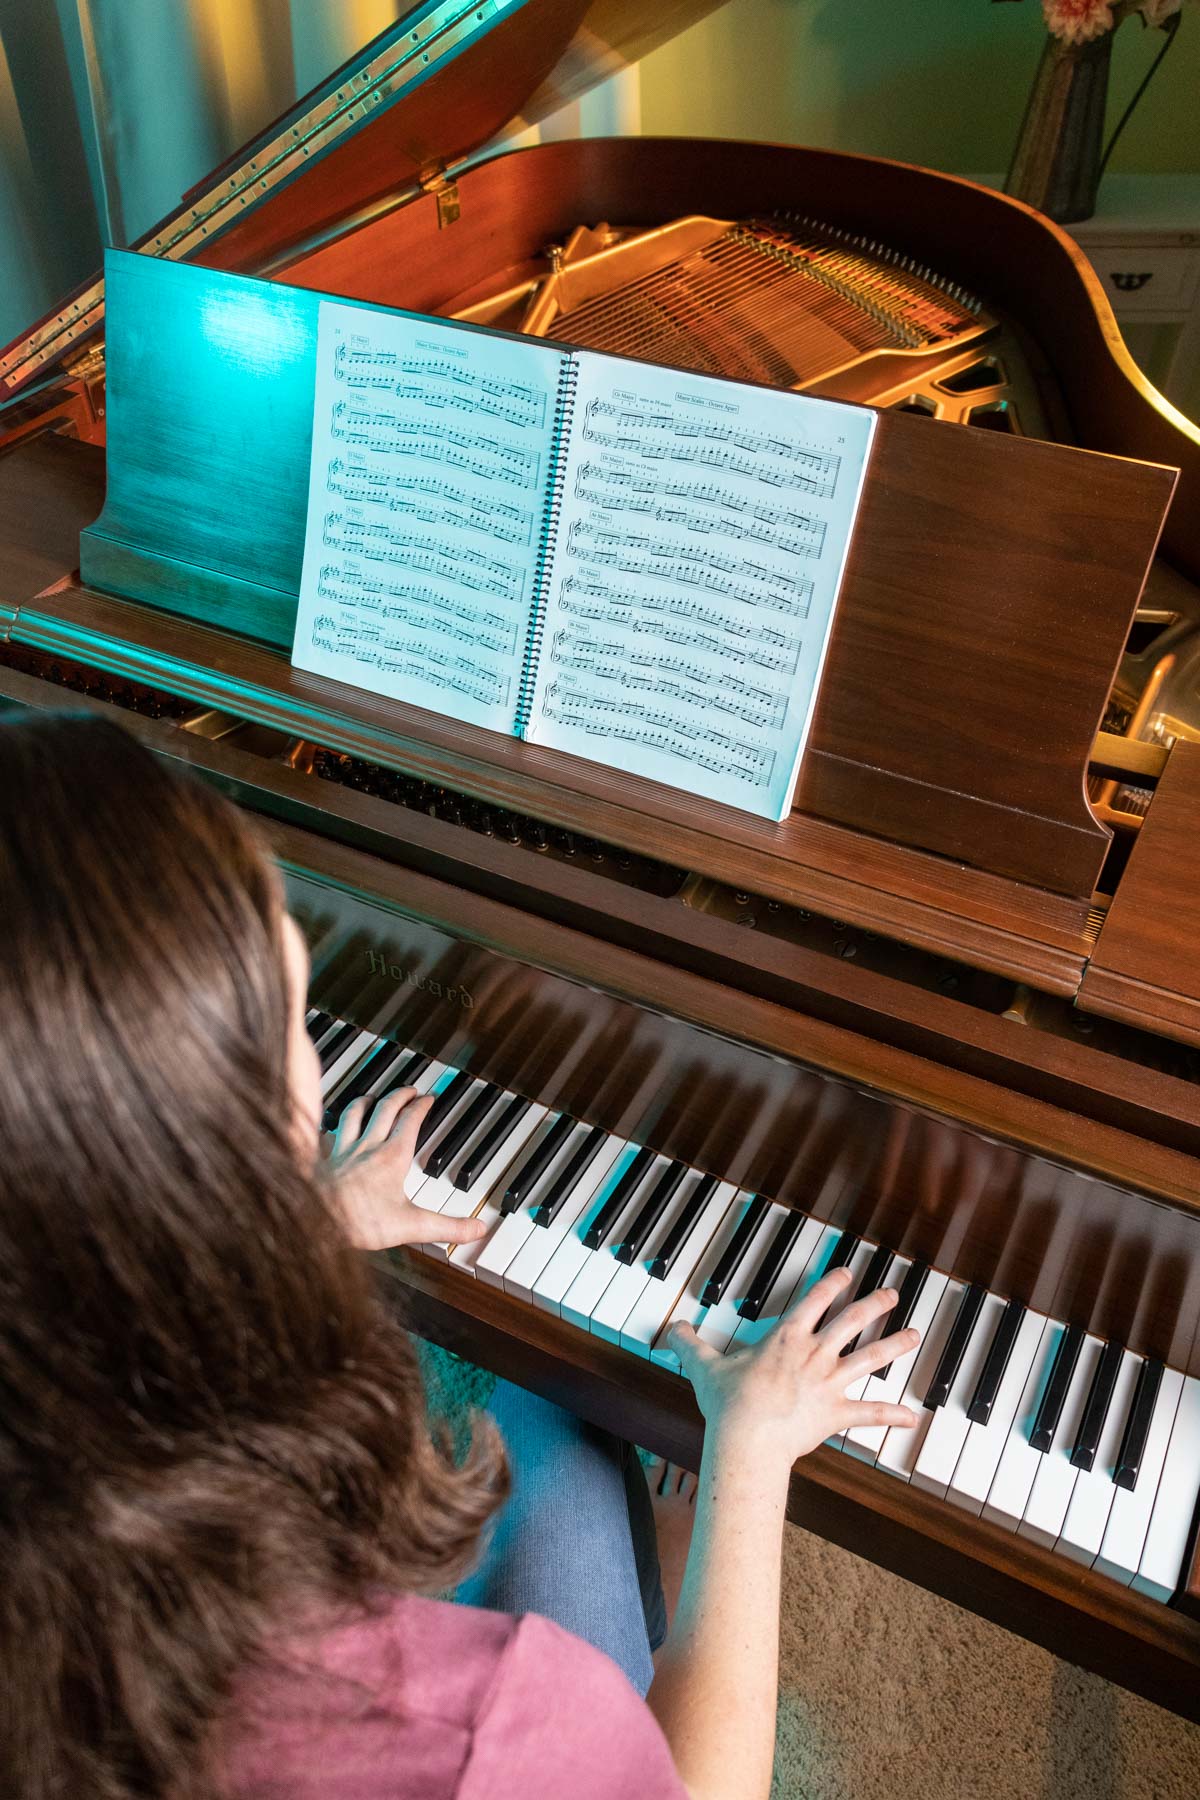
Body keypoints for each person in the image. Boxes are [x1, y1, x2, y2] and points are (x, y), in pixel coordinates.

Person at [0, 710, 921, 1800]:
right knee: (563, 1435)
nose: (315, 1064)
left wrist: (294, 1232)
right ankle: (667, 1583)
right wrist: (752, 1458)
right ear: (197, 1153)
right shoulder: (471, 1733)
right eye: (299, 1020)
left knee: (539, 1408)